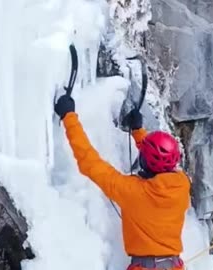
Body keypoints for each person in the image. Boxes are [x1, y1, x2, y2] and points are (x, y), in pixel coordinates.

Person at [54, 94, 190, 270]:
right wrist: (138, 132)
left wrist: (69, 117)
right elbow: (157, 163)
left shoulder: (132, 191)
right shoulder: (182, 185)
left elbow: (89, 162)